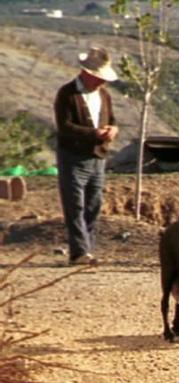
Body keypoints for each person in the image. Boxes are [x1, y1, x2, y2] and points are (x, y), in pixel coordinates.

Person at [54, 47, 119, 265]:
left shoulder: (104, 95)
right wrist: (94, 134)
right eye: (99, 78)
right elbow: (64, 126)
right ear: (88, 74)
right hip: (73, 157)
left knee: (93, 204)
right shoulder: (67, 94)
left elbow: (112, 119)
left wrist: (112, 130)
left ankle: (86, 249)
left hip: (97, 158)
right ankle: (79, 252)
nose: (102, 82)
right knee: (75, 206)